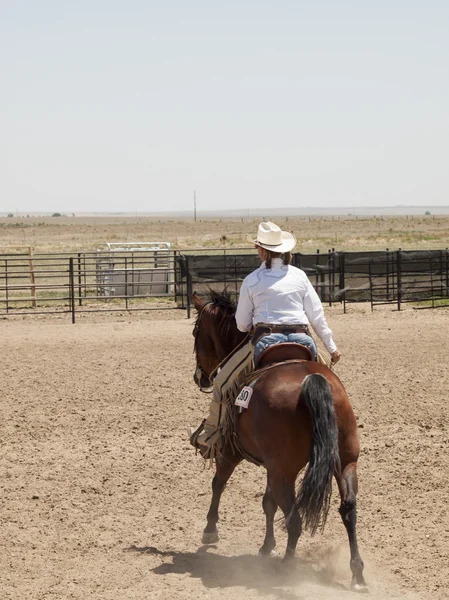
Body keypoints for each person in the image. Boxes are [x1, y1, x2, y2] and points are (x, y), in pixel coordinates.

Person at [190, 221, 340, 459]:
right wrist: (331, 347)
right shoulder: (300, 276)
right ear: (283, 250)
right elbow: (316, 315)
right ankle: (338, 430)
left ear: (262, 250)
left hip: (266, 342)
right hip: (304, 340)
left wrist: (252, 321)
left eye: (258, 248)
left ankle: (209, 437)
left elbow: (241, 324)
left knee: (221, 384)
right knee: (332, 384)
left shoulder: (252, 279)